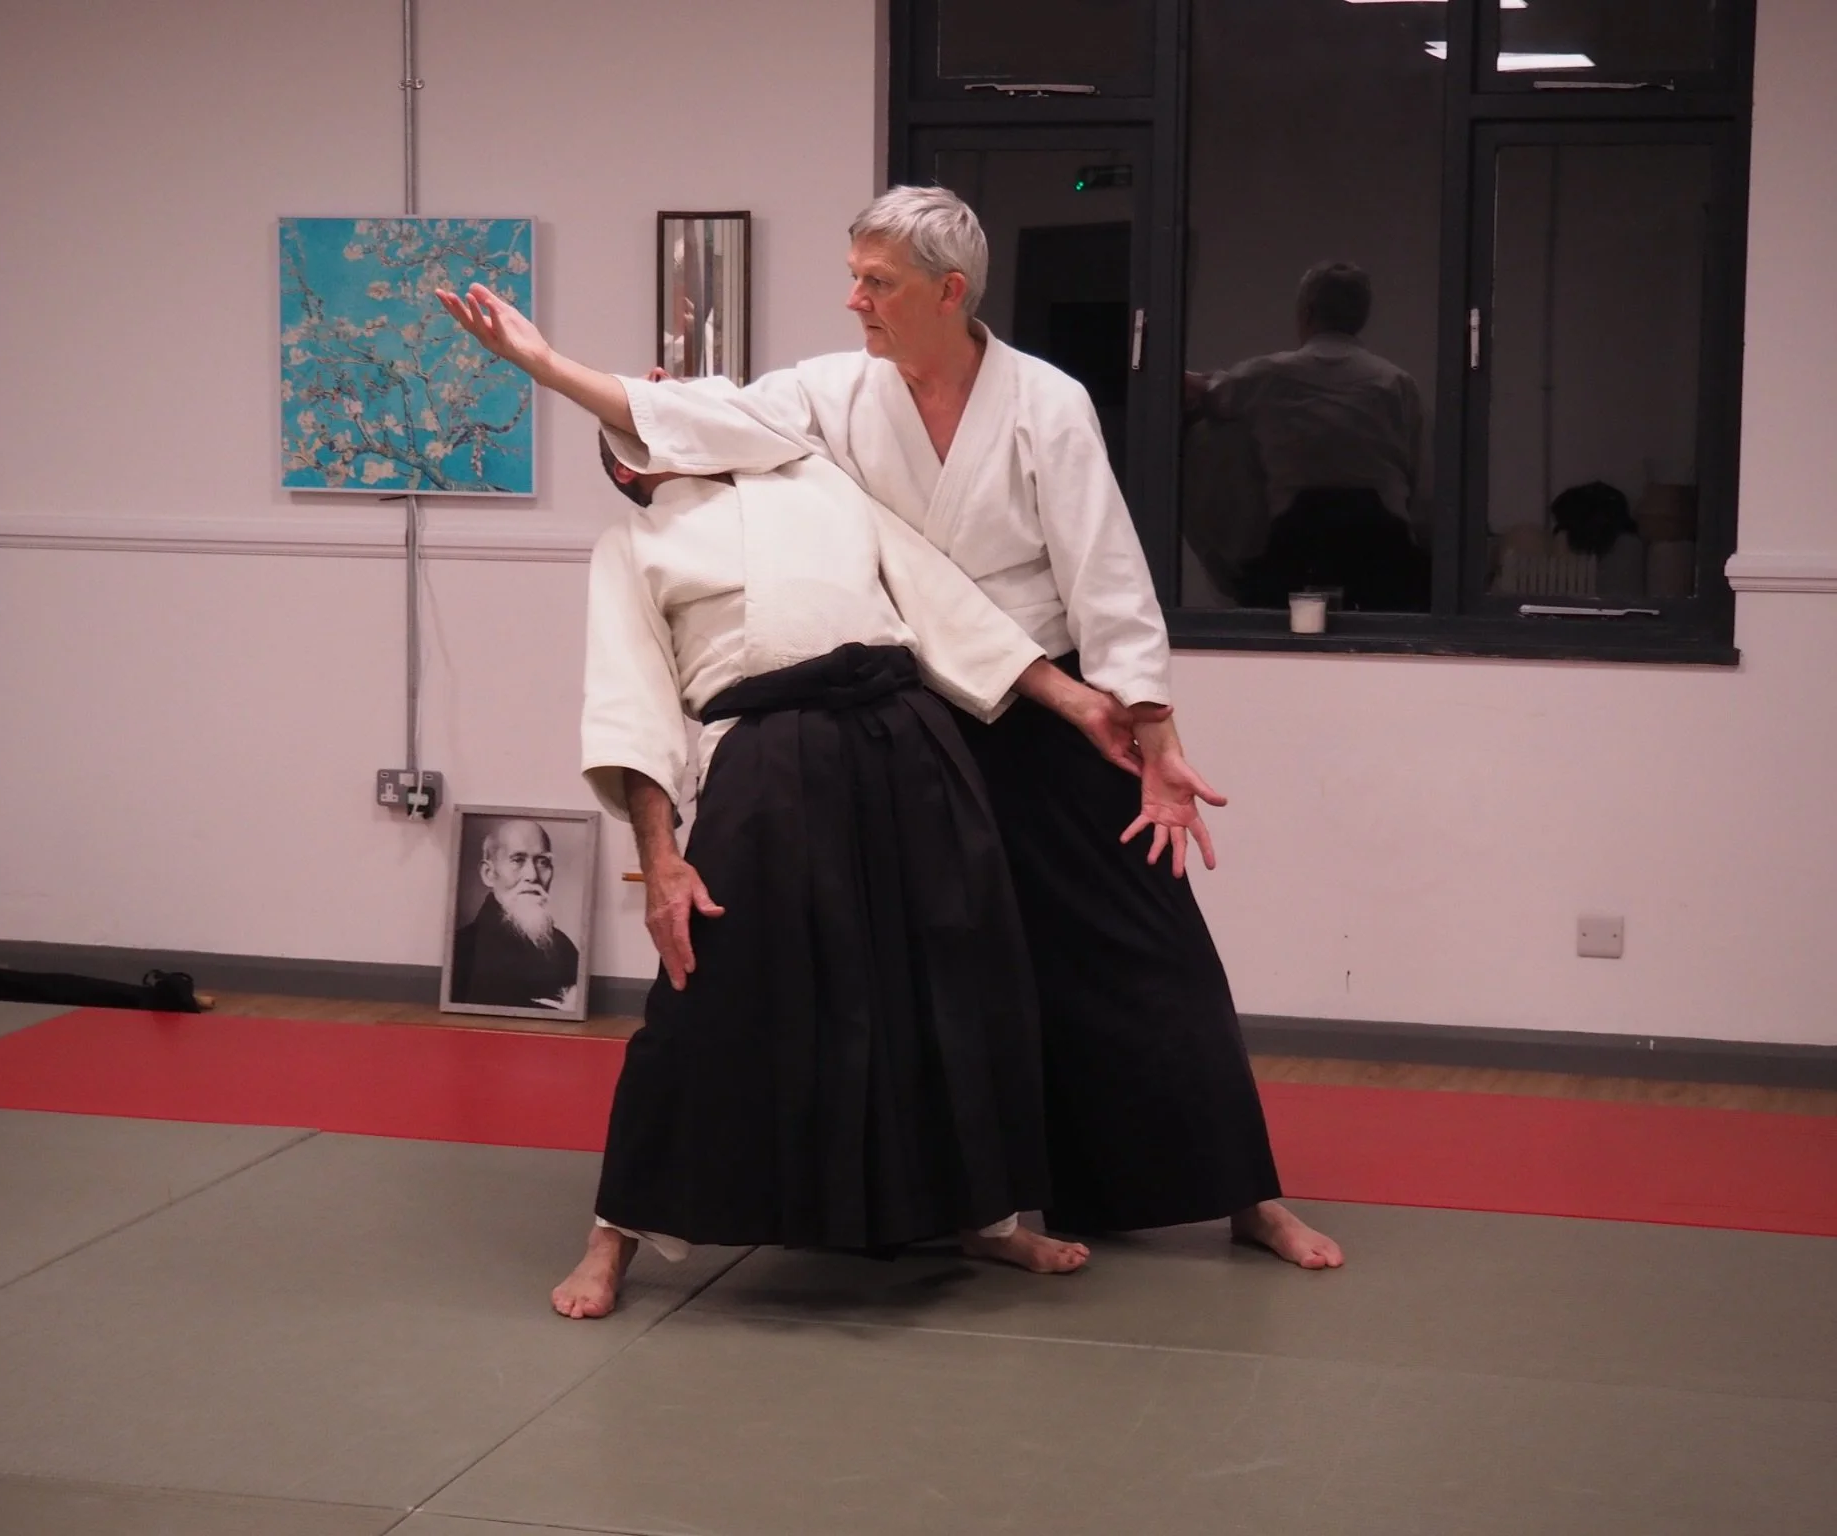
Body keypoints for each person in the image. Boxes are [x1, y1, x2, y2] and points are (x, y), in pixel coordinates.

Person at [438, 185, 1342, 1269]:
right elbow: (690, 416)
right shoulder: (825, 398)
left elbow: (1104, 574)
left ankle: (1243, 1194)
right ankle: (981, 1198)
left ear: (948, 293)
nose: (853, 298)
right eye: (854, 275)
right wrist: (546, 368)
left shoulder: (1042, 403)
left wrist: (1145, 731)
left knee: (1147, 938)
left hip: (1040, 688)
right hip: (908, 712)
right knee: (943, 973)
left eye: (877, 282)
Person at [549, 433, 1124, 1318]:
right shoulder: (632, 547)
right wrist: (662, 862)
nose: (669, 393)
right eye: (642, 404)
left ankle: (987, 1213)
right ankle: (613, 1231)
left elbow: (941, 605)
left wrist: (1080, 701)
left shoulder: (816, 480)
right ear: (629, 467)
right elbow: (631, 702)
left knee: (956, 977)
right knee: (706, 987)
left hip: (907, 735)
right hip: (763, 754)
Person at [1183, 261, 1428, 611]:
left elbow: (1207, 393)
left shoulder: (1269, 375)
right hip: (1382, 547)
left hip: (1299, 545)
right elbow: (1418, 471)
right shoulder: (1397, 383)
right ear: (1361, 316)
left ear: (1307, 312)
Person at [449, 819, 580, 1011]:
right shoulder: (462, 948)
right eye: (518, 860)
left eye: (542, 862)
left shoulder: (564, 948)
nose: (532, 875)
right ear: (488, 873)